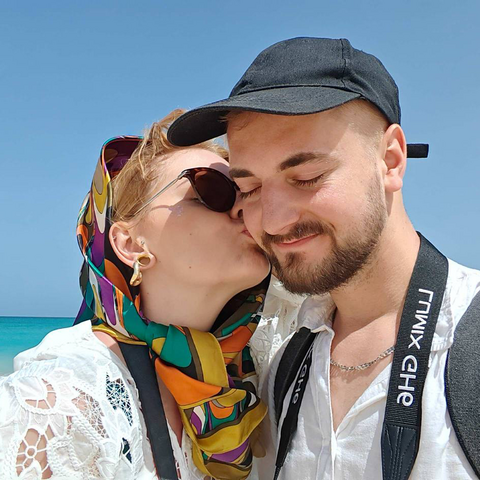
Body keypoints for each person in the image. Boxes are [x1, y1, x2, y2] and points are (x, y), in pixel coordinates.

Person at [166, 37, 480, 479]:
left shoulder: (468, 342)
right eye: (249, 188)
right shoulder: (284, 366)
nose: (272, 221)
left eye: (307, 177)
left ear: (391, 161)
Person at [0, 109, 277, 480]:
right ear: (130, 244)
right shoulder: (63, 400)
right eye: (210, 190)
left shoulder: (255, 374)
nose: (244, 208)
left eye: (250, 194)